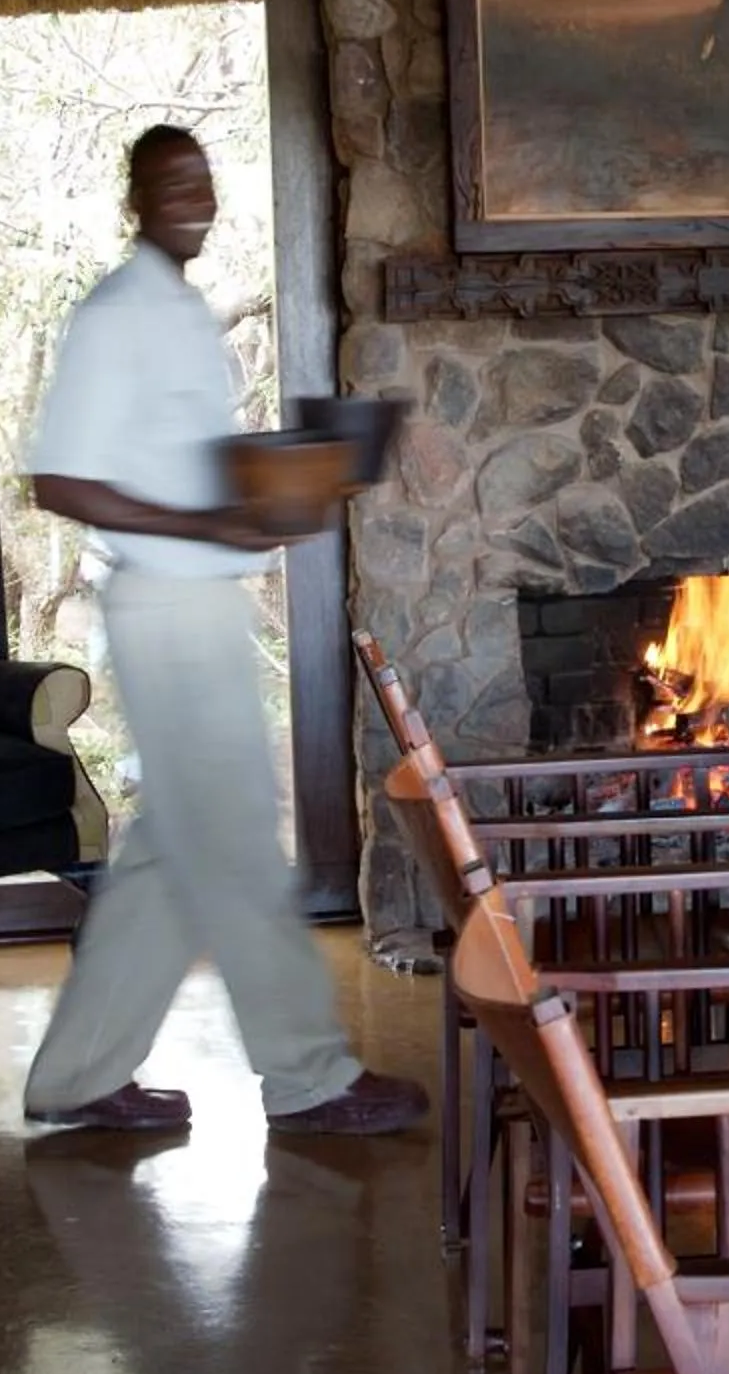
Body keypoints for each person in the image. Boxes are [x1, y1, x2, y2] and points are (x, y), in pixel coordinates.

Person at [21, 124, 426, 1138]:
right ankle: (308, 1077)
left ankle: (74, 1077)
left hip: (196, 602)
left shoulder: (185, 312)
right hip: (162, 609)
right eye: (169, 185)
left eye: (202, 183)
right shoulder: (115, 315)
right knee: (239, 840)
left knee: (174, 852)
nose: (190, 200)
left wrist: (297, 479)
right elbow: (56, 477)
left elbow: (179, 468)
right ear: (135, 199)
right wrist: (206, 521)